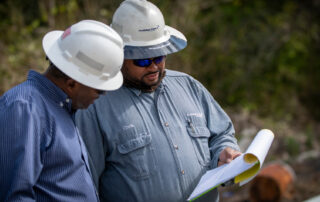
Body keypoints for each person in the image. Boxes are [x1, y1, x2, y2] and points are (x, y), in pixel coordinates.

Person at [76, 1, 241, 202]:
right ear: (119, 55)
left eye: (159, 56)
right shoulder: (95, 105)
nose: (154, 67)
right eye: (143, 60)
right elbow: (84, 183)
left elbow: (221, 134)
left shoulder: (189, 86)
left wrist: (224, 152)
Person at [0, 20, 124, 201]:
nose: (102, 94)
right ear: (72, 82)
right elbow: (13, 194)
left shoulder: (61, 107)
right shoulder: (25, 108)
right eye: (99, 89)